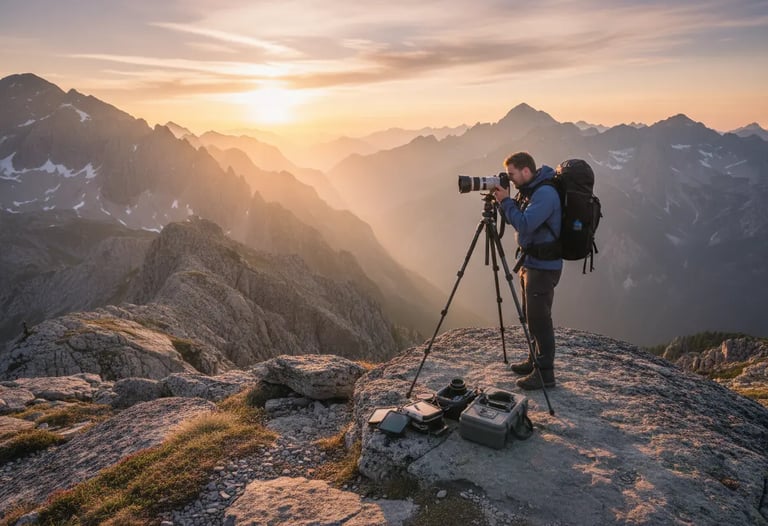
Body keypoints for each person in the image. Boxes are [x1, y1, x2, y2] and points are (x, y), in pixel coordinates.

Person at [492, 152, 562, 390]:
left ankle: (545, 374)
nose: (510, 180)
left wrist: (505, 202)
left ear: (525, 171)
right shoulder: (531, 189)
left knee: (540, 320)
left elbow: (523, 223)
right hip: (532, 263)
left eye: (512, 174)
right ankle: (534, 360)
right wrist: (506, 203)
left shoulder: (544, 194)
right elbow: (520, 220)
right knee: (531, 316)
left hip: (543, 267)